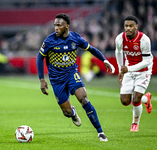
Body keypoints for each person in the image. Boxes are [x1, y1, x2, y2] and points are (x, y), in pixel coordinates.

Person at [36, 13, 115, 142]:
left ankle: (100, 132)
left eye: (59, 25)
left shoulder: (75, 38)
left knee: (84, 99)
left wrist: (104, 60)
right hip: (56, 80)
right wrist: (41, 79)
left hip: (72, 74)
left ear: (67, 26)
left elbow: (92, 49)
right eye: (55, 25)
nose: (56, 28)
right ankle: (72, 112)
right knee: (66, 113)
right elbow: (40, 58)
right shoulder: (49, 41)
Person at [115, 15, 153, 132]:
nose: (128, 28)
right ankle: (146, 99)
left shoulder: (144, 39)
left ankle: (135, 123)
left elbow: (146, 61)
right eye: (126, 26)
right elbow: (118, 52)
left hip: (143, 71)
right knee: (125, 101)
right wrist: (121, 69)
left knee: (136, 99)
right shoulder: (120, 38)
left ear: (136, 26)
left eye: (131, 26)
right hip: (129, 70)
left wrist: (128, 69)